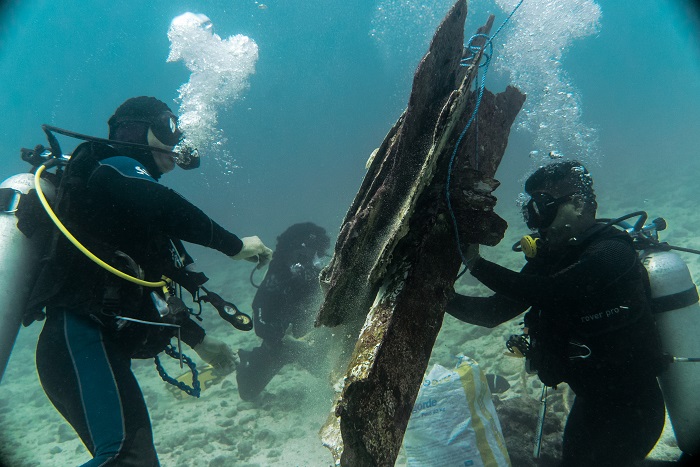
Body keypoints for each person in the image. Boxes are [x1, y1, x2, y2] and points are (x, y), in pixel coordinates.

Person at [26, 96, 273, 466]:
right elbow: (165, 205)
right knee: (127, 456)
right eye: (167, 128)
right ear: (136, 130)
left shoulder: (124, 208)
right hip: (79, 340)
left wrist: (199, 340)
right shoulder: (113, 165)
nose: (175, 144)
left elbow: (152, 281)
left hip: (90, 346)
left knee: (133, 456)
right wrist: (235, 246)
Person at [446, 160, 666, 466]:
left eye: (543, 207)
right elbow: (492, 312)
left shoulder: (613, 251)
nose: (536, 222)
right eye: (530, 212)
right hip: (590, 401)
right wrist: (440, 296)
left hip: (635, 409)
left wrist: (476, 264)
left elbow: (554, 292)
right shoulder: (551, 258)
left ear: (577, 205)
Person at [236, 222, 330, 400]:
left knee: (326, 364)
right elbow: (259, 308)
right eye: (313, 254)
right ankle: (248, 360)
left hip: (303, 331)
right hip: (280, 340)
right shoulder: (278, 275)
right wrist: (280, 338)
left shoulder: (315, 274)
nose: (318, 261)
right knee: (248, 392)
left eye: (320, 254)